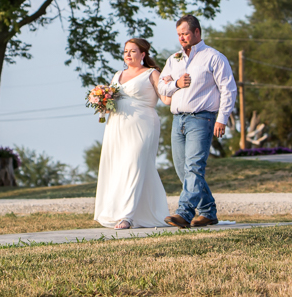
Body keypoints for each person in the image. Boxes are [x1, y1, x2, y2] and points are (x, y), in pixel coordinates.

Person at [158, 15, 237, 228]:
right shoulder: (173, 59)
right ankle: (208, 212)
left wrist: (222, 119)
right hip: (178, 119)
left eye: (185, 33)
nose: (182, 38)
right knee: (182, 169)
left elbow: (228, 89)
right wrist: (176, 83)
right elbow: (161, 87)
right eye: (179, 34)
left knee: (194, 167)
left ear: (197, 32)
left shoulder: (214, 57)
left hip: (202, 118)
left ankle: (183, 213)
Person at [93, 38, 174, 230]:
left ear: (143, 54)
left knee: (135, 164)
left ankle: (127, 217)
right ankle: (140, 213)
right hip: (117, 125)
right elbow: (111, 99)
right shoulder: (118, 75)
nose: (128, 55)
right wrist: (100, 100)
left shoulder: (152, 73)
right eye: (125, 51)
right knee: (123, 167)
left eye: (133, 51)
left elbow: (166, 99)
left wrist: (172, 85)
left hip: (143, 124)